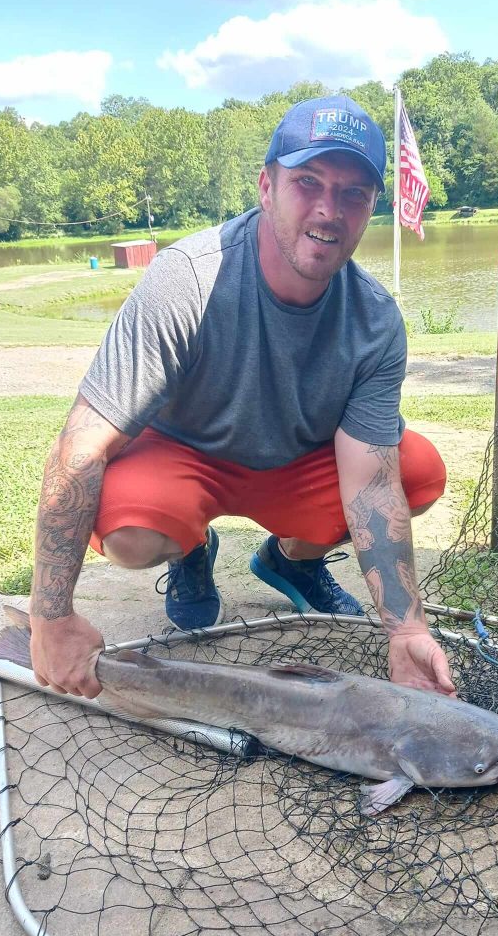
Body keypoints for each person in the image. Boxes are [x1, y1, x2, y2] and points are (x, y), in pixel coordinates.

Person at [29, 94, 453, 702]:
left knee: (413, 471)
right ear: (266, 187)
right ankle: (191, 548)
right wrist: (50, 616)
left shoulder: (376, 321)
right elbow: (81, 446)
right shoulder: (187, 280)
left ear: (370, 210)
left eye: (353, 193)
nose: (329, 210)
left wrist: (405, 626)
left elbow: (372, 482)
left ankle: (291, 561)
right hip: (187, 453)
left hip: (289, 463)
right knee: (128, 530)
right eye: (308, 182)